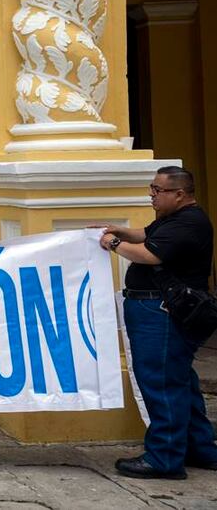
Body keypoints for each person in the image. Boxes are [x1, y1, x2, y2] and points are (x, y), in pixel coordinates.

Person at [99, 166, 217, 480]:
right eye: (152, 188)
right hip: (156, 309)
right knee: (180, 381)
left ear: (180, 194)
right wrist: (120, 231)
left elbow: (148, 254)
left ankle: (164, 458)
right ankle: (199, 448)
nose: (152, 195)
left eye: (158, 190)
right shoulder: (175, 219)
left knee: (161, 382)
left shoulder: (189, 223)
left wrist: (113, 244)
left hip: (161, 313)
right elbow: (147, 234)